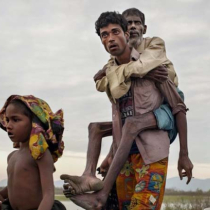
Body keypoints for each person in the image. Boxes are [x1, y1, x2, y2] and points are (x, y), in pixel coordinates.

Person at [61, 6, 192, 201]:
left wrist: (184, 155)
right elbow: (120, 119)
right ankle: (89, 178)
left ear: (126, 33)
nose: (110, 38)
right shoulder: (110, 73)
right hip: (124, 158)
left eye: (115, 32)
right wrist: (109, 155)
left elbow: (179, 108)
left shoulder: (155, 66)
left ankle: (100, 196)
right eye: (104, 35)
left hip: (151, 154)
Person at [0, 95, 66, 210]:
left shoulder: (41, 154)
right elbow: (15, 187)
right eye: (8, 120)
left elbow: (48, 195)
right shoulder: (12, 156)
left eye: (16, 119)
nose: (8, 126)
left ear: (34, 123)